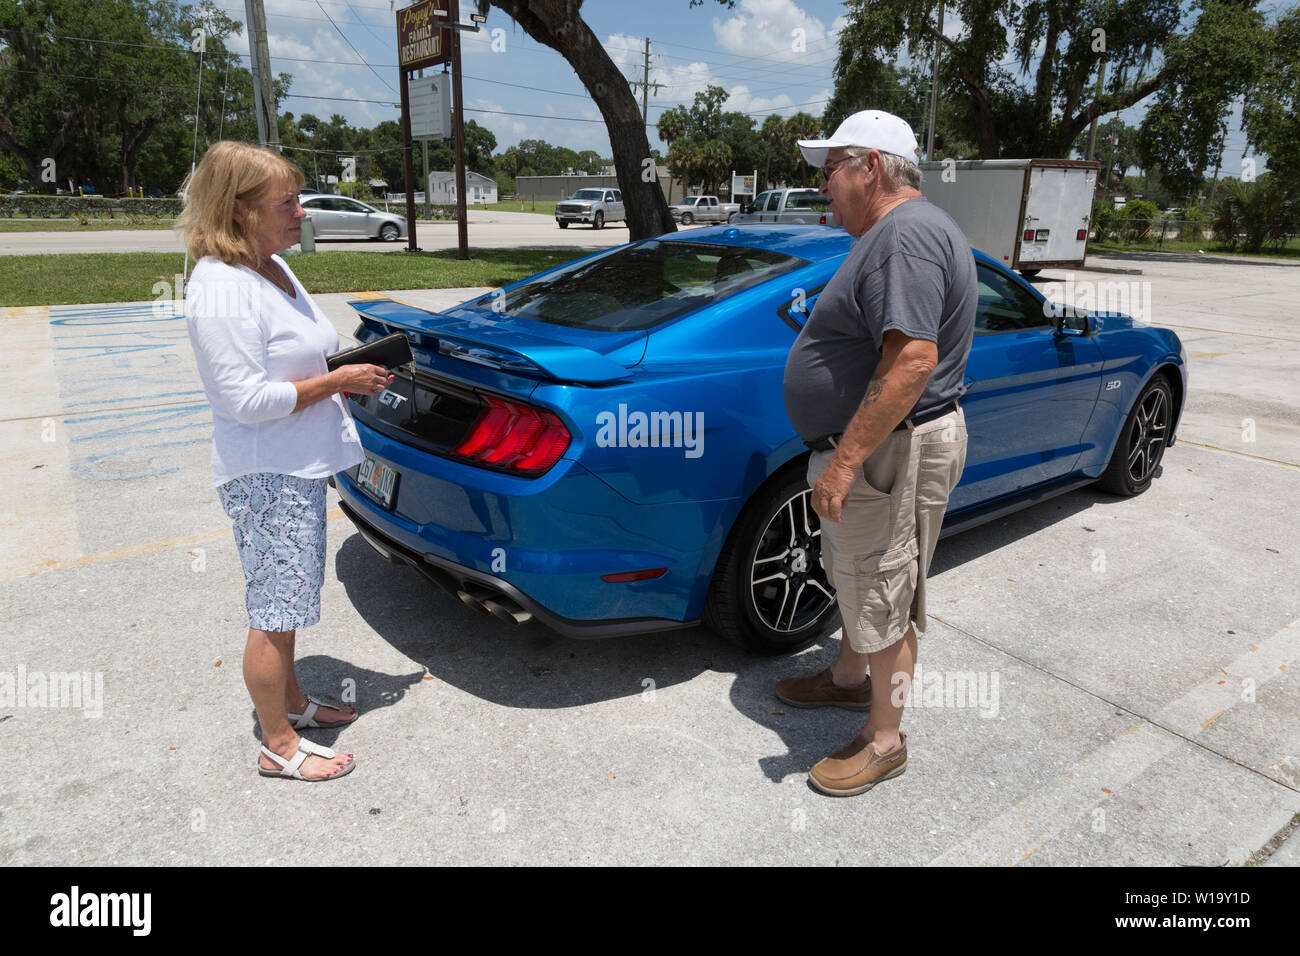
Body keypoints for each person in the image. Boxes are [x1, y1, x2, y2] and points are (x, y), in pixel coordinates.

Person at [179, 141, 394, 781]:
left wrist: (347, 370)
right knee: (274, 611)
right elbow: (244, 399)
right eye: (287, 201)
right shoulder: (220, 287)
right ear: (240, 211)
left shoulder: (271, 266)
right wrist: (338, 383)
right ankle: (278, 744)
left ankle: (294, 705)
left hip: (296, 466)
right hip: (265, 473)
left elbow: (296, 355)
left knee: (292, 601)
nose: (302, 211)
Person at [778, 110, 977, 796]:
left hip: (891, 450)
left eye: (830, 169)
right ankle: (846, 679)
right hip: (881, 449)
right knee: (861, 577)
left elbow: (913, 360)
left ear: (870, 165)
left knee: (885, 589)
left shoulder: (907, 234)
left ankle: (884, 739)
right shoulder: (898, 232)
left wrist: (842, 460)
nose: (823, 185)